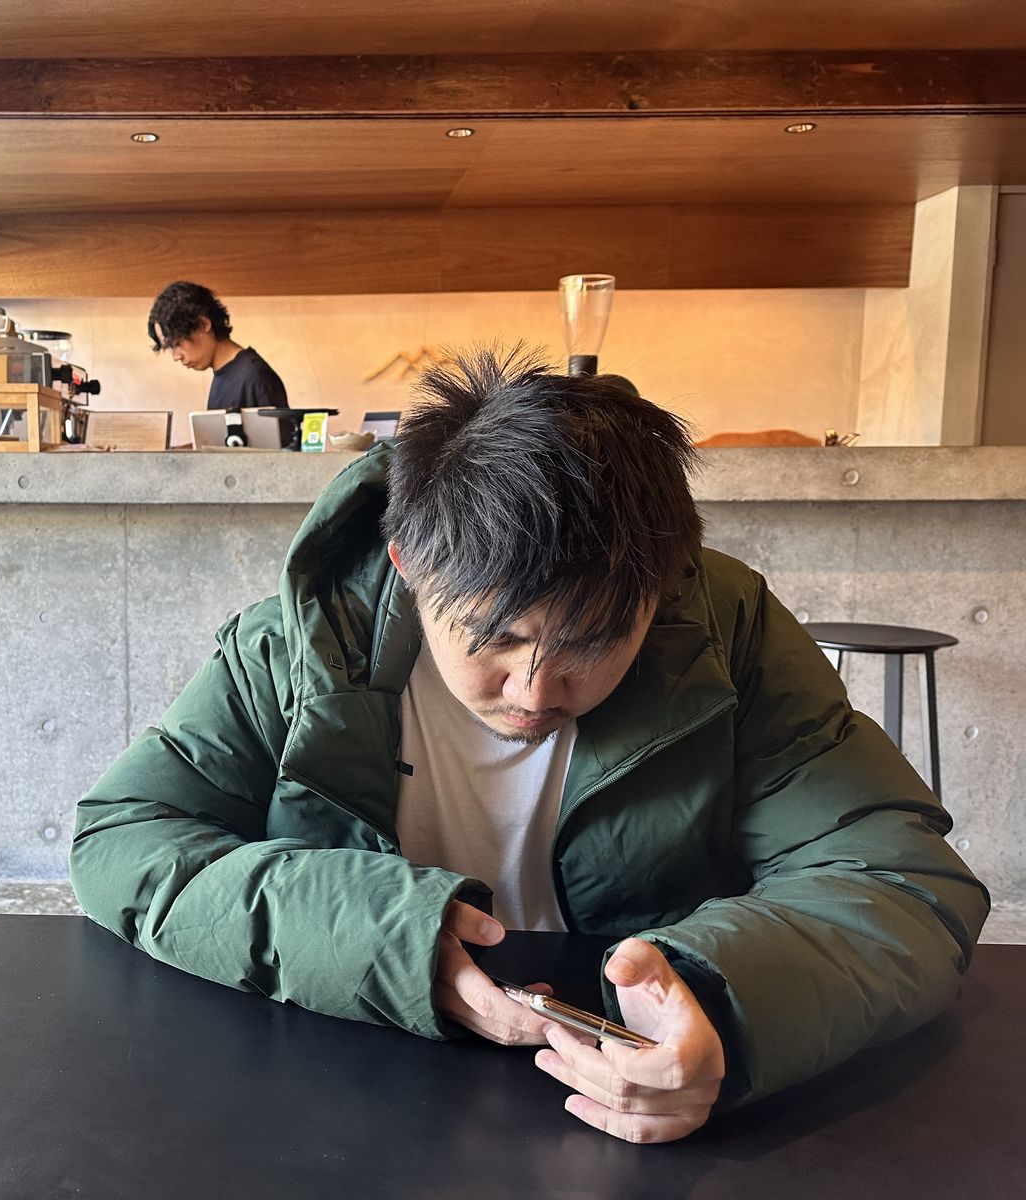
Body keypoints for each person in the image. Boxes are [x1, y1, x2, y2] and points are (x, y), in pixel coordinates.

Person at [69, 347, 989, 1145]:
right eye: (493, 638)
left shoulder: (726, 629)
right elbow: (126, 839)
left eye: (595, 643)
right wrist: (385, 941)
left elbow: (898, 879)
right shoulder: (298, 646)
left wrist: (724, 1005)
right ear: (407, 563)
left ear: (661, 590)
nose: (537, 692)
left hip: (650, 1110)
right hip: (334, 1094)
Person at [147, 280, 288, 410]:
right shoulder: (223, 375)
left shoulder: (255, 376)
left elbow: (281, 437)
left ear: (204, 324)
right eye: (170, 348)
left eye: (177, 343)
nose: (176, 356)